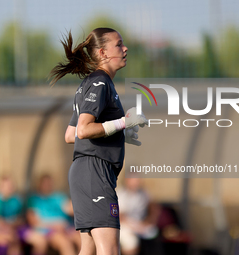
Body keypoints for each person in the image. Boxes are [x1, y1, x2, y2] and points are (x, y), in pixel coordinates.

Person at [49, 28, 148, 255]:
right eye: (119, 44)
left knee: (89, 248)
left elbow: (69, 134)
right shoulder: (100, 83)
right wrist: (123, 123)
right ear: (103, 52)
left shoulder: (92, 83)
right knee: (110, 250)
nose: (125, 49)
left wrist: (120, 132)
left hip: (86, 172)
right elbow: (83, 130)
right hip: (95, 172)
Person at [23, 174, 77, 255]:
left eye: (49, 183)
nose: (47, 185)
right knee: (64, 243)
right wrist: (55, 225)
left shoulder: (58, 197)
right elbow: (33, 222)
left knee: (82, 238)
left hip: (66, 228)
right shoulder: (34, 200)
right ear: (39, 184)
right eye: (45, 183)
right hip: (47, 231)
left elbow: (71, 209)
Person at [117, 177, 159, 255]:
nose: (136, 182)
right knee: (130, 241)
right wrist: (135, 227)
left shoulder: (143, 193)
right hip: (124, 225)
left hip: (140, 224)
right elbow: (120, 216)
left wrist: (150, 220)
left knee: (153, 232)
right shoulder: (120, 193)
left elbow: (153, 207)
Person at [0, 175, 23, 255]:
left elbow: (21, 220)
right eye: (6, 186)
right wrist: (11, 225)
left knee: (14, 240)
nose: (9, 188)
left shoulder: (16, 200)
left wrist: (11, 225)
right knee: (4, 242)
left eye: (11, 185)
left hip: (11, 230)